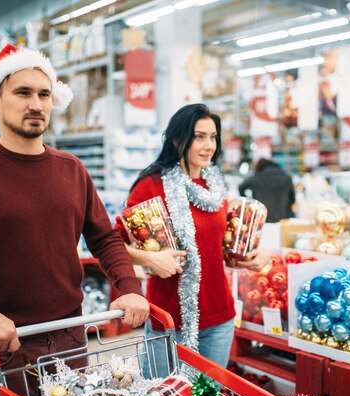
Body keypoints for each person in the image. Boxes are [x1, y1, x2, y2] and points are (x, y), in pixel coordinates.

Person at [0, 44, 149, 396]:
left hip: (72, 340)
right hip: (6, 345)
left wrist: (129, 287)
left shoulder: (72, 170)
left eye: (44, 94)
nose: (36, 104)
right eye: (22, 92)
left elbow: (104, 238)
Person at [114, 103, 269, 376]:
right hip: (169, 319)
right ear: (177, 139)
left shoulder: (215, 185)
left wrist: (251, 256)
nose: (209, 145)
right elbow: (111, 243)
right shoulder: (152, 185)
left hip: (220, 317)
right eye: (199, 136)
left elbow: (218, 245)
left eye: (213, 137)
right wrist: (150, 258)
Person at [239, 158, 295, 223]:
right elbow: (292, 199)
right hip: (283, 218)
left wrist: (249, 203)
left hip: (262, 217)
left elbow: (241, 187)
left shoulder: (257, 176)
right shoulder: (286, 177)